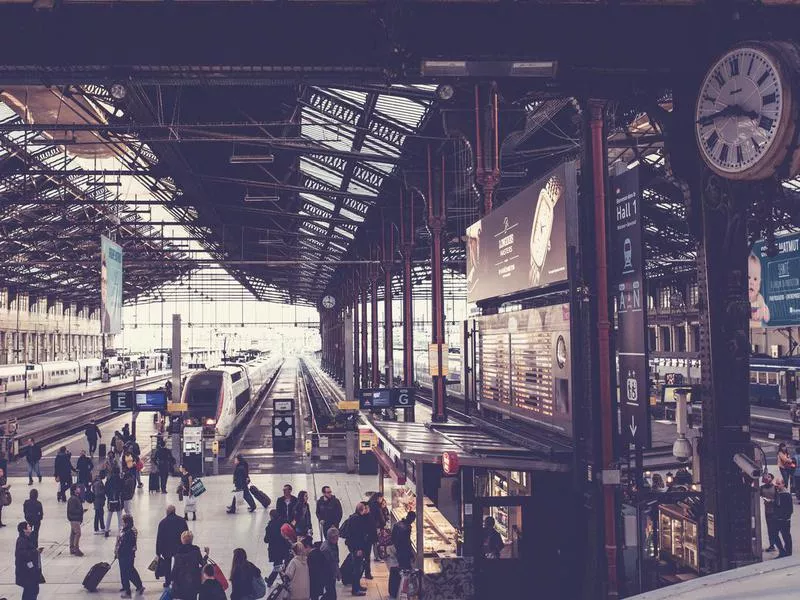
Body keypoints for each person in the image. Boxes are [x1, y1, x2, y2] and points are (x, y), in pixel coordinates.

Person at [344, 503, 375, 597]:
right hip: (357, 548)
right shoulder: (356, 519)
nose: (367, 510)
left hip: (356, 547)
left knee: (358, 568)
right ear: (362, 510)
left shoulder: (355, 517)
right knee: (357, 569)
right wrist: (358, 549)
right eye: (365, 508)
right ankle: (355, 589)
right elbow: (356, 536)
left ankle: (358, 586)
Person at [157, 505, 189, 590]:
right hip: (179, 547)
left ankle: (167, 582)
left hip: (166, 548)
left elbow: (159, 538)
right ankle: (178, 581)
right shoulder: (182, 521)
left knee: (167, 565)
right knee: (179, 564)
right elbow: (186, 534)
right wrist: (187, 546)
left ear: (167, 512)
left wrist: (158, 551)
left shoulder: (162, 522)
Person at [171, 530, 209, 600]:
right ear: (191, 540)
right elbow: (203, 564)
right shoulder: (196, 551)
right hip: (193, 580)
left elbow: (175, 569)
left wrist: (172, 580)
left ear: (182, 540)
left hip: (180, 582)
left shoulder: (177, 552)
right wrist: (206, 555)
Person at [115, 514, 145, 597]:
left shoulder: (132, 531)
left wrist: (119, 550)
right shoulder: (123, 529)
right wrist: (116, 551)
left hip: (127, 554)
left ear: (127, 522)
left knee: (127, 571)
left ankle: (128, 591)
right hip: (121, 554)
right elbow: (118, 540)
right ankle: (135, 586)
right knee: (126, 571)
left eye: (123, 521)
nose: (122, 523)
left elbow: (127, 543)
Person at [388, 512, 416, 599]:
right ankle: (402, 592)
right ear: (412, 519)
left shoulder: (397, 524)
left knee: (398, 570)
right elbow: (406, 543)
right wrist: (411, 555)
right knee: (405, 573)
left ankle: (395, 591)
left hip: (396, 550)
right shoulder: (407, 528)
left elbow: (392, 538)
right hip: (403, 553)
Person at [264, 511, 293, 587]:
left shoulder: (269, 526)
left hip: (275, 550)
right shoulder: (284, 522)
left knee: (277, 565)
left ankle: (281, 581)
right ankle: (272, 580)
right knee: (283, 565)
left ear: (271, 516)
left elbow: (266, 540)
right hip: (285, 547)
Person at [15, 521, 41, 600]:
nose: (30, 527)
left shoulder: (28, 538)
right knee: (30, 591)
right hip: (26, 571)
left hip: (31, 571)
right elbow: (23, 555)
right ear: (24, 530)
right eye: (28, 526)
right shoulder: (22, 540)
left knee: (33, 590)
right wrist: (36, 551)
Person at [749, 253, 771, 325]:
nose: (751, 282)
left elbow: (767, 318)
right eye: (748, 277)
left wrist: (762, 309)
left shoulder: (759, 299)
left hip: (757, 329)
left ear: (759, 283)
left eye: (755, 279)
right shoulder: (740, 300)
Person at [319, 527, 340, 600]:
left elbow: (335, 561)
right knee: (332, 594)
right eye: (335, 537)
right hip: (327, 574)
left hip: (331, 574)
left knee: (330, 593)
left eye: (337, 537)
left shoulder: (334, 545)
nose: (337, 539)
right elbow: (331, 563)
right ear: (330, 537)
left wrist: (337, 573)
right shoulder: (326, 548)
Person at [761, 473, 780, 552]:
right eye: (766, 477)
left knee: (774, 529)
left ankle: (778, 545)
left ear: (772, 479)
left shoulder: (775, 488)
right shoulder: (762, 488)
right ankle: (772, 545)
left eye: (769, 477)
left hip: (774, 511)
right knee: (769, 529)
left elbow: (778, 500)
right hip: (767, 511)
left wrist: (771, 501)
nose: (767, 478)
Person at [775, 479, 794, 558]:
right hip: (778, 518)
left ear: (783, 484)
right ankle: (782, 551)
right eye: (776, 484)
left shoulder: (787, 495)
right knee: (774, 535)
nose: (777, 485)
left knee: (786, 535)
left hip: (784, 519)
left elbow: (790, 509)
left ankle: (788, 552)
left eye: (779, 484)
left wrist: (785, 517)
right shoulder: (778, 493)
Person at [367, 492, 388, 562]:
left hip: (370, 525)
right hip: (375, 526)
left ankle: (376, 556)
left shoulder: (370, 503)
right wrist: (383, 525)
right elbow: (380, 517)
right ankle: (377, 556)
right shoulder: (376, 507)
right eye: (381, 498)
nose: (382, 500)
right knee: (376, 542)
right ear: (378, 498)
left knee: (374, 541)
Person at [67, 484, 85, 556]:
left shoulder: (76, 498)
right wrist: (81, 512)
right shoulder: (73, 499)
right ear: (74, 490)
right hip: (74, 518)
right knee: (78, 533)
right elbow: (72, 510)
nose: (79, 489)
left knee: (73, 533)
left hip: (75, 518)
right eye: (78, 488)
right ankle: (76, 548)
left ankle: (72, 548)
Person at [105, 467, 124, 537]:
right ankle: (120, 530)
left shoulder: (109, 480)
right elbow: (122, 489)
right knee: (119, 516)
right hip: (118, 499)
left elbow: (106, 490)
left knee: (109, 516)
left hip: (110, 500)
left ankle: (106, 530)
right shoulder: (120, 480)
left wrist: (109, 497)